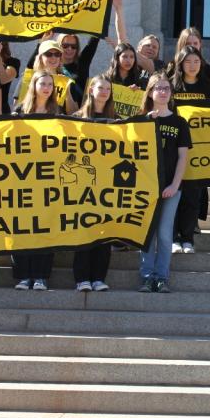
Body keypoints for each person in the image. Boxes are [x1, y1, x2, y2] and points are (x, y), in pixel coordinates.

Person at [137, 74, 191, 293]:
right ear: (150, 92)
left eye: (166, 88)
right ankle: (147, 276)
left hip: (170, 187)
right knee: (147, 234)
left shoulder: (179, 122)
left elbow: (183, 157)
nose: (163, 91)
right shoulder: (141, 120)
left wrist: (175, 185)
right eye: (158, 88)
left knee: (165, 234)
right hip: (145, 188)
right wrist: (146, 123)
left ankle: (161, 277)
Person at [10, 70, 60, 290]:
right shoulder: (20, 112)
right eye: (43, 83)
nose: (47, 87)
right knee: (21, 227)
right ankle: (23, 275)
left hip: (48, 178)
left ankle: (40, 275)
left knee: (45, 227)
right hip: (22, 178)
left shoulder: (58, 114)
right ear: (34, 86)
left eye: (50, 84)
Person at [169, 46, 210, 254]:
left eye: (196, 61)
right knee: (173, 195)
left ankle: (187, 238)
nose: (192, 65)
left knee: (192, 196)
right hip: (173, 148)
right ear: (180, 64)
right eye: (188, 61)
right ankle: (172, 238)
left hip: (199, 148)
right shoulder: (172, 86)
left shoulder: (207, 85)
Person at [71, 76, 116, 291]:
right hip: (81, 184)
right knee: (83, 231)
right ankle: (82, 279)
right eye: (101, 87)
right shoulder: (76, 119)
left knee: (104, 232)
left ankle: (99, 278)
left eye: (108, 88)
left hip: (107, 184)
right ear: (91, 89)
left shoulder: (117, 120)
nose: (105, 91)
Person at [32, 40, 80, 114]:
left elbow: (74, 114)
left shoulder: (67, 81)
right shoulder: (30, 78)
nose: (53, 57)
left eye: (57, 54)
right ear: (40, 58)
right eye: (48, 54)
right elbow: (18, 105)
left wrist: (67, 93)